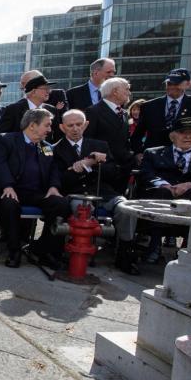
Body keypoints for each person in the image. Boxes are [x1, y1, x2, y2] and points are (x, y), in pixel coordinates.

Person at [52, 110, 140, 274]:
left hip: (105, 193)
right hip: (76, 194)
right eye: (70, 125)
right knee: (81, 209)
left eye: (79, 124)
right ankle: (74, 254)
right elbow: (61, 180)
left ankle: (125, 253)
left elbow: (114, 173)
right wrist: (79, 168)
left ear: (85, 125)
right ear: (62, 128)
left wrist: (92, 164)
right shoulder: (56, 149)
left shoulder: (100, 145)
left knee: (127, 209)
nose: (75, 129)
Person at [0, 108, 71, 269]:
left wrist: (54, 187)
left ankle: (43, 249)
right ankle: (14, 251)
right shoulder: (6, 140)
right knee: (8, 204)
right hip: (13, 190)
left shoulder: (46, 147)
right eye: (47, 125)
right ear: (33, 125)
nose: (50, 129)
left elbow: (53, 168)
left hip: (37, 193)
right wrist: (7, 185)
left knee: (61, 204)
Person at [138, 116, 191, 263]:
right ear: (172, 136)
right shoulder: (153, 153)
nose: (188, 136)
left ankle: (188, 247)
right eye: (183, 132)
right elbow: (146, 174)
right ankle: (155, 245)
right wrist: (164, 184)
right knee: (161, 193)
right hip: (163, 195)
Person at [132, 68, 191, 154]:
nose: (172, 86)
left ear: (188, 84)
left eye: (177, 83)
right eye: (169, 83)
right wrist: (138, 153)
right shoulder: (148, 106)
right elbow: (137, 135)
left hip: (188, 159)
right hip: (155, 160)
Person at [84, 77, 136, 192]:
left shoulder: (124, 113)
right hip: (102, 171)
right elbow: (88, 140)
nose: (129, 93)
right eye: (126, 89)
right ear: (115, 92)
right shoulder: (93, 111)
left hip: (123, 169)